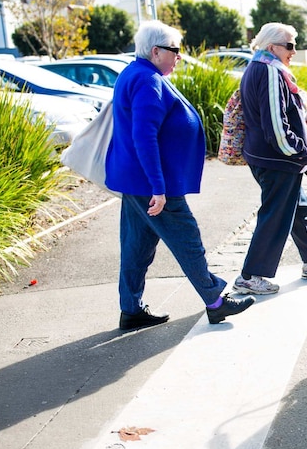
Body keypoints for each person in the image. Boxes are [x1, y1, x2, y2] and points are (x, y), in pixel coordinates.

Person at [106, 20, 255, 330]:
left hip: (136, 181)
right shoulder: (147, 80)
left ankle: (131, 309)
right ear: (156, 50)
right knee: (187, 240)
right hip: (153, 184)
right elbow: (143, 137)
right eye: (175, 51)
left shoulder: (136, 73)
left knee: (136, 246)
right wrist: (159, 189)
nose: (179, 57)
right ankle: (215, 301)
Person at [233, 22, 307, 295]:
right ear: (272, 47)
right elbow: (275, 122)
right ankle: (250, 276)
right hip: (277, 159)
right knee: (275, 217)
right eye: (289, 45)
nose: (294, 51)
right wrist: (299, 151)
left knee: (299, 209)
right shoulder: (268, 71)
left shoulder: (260, 67)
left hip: (273, 159)